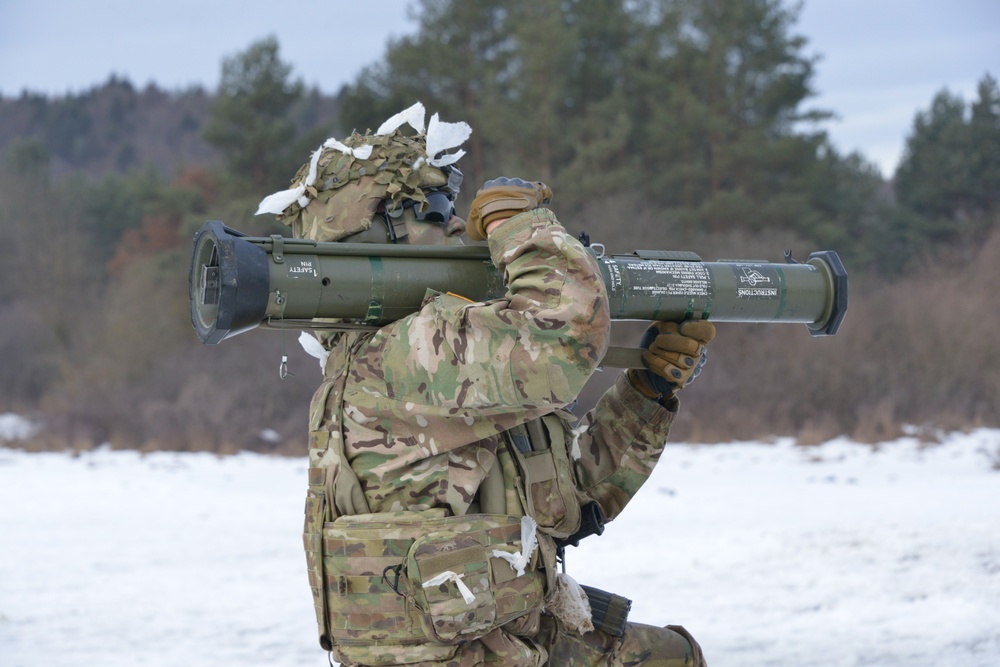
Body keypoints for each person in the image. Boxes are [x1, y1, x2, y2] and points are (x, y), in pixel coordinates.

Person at [258, 103, 715, 667]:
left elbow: (574, 493)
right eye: (436, 207)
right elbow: (565, 335)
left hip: (510, 635)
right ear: (375, 229)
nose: (456, 224)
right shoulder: (400, 355)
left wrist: (648, 391)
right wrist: (520, 224)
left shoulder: (442, 361)